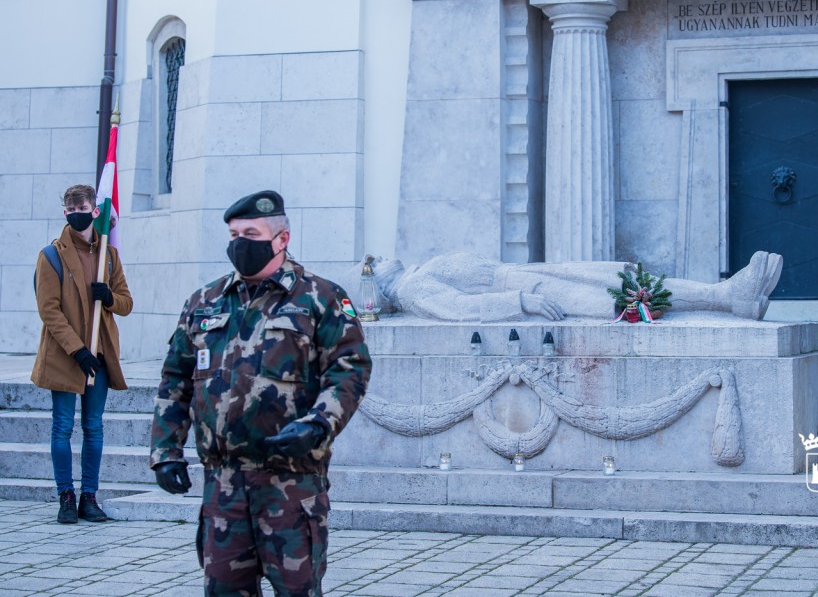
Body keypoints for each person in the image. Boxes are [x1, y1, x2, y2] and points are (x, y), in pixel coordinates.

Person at [150, 190, 372, 597]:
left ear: (282, 238)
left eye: (250, 234)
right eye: (234, 235)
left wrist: (319, 423)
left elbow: (349, 369)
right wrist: (165, 451)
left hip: (290, 485)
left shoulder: (319, 298)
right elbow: (175, 379)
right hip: (223, 485)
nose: (239, 244)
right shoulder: (205, 302)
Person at [31, 183, 133, 524]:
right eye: (71, 210)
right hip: (66, 355)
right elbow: (49, 311)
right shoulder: (51, 256)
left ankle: (89, 496)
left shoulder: (108, 255)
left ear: (95, 211)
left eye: (83, 209)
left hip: (99, 354)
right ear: (65, 213)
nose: (77, 215)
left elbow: (126, 303)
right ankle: (66, 496)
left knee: (93, 426)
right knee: (62, 427)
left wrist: (109, 298)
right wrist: (77, 350)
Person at [353, 250, 783, 322]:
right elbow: (460, 309)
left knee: (625, 281)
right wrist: (522, 301)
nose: (382, 256)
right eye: (374, 261)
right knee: (620, 295)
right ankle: (725, 299)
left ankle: (726, 297)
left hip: (529, 273)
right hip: (531, 288)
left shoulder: (418, 274)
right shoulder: (413, 288)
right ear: (380, 283)